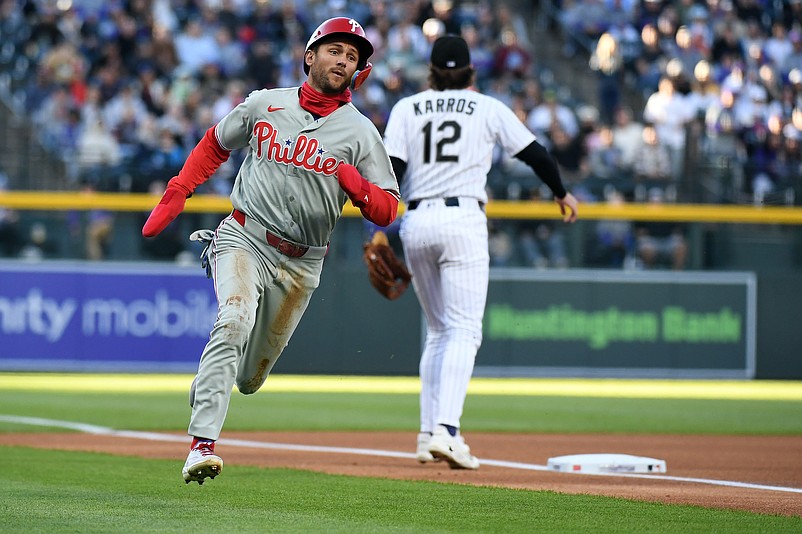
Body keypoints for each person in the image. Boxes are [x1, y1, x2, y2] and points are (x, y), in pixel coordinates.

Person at [141, 17, 400, 484]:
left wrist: (357, 186)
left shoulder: (360, 133)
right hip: (245, 235)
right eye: (335, 50)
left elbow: (387, 210)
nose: (343, 60)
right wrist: (180, 187)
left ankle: (210, 385)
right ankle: (202, 444)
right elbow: (216, 143)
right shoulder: (266, 104)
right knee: (234, 317)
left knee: (250, 380)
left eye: (352, 56)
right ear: (310, 55)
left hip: (302, 263)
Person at [383, 35, 578, 470]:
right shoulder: (486, 106)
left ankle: (426, 432)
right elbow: (536, 154)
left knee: (438, 330)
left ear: (430, 72)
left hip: (415, 221)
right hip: (463, 219)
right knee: (465, 331)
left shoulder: (406, 108)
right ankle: (446, 432)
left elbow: (390, 172)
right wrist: (561, 193)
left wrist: (379, 228)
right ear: (471, 71)